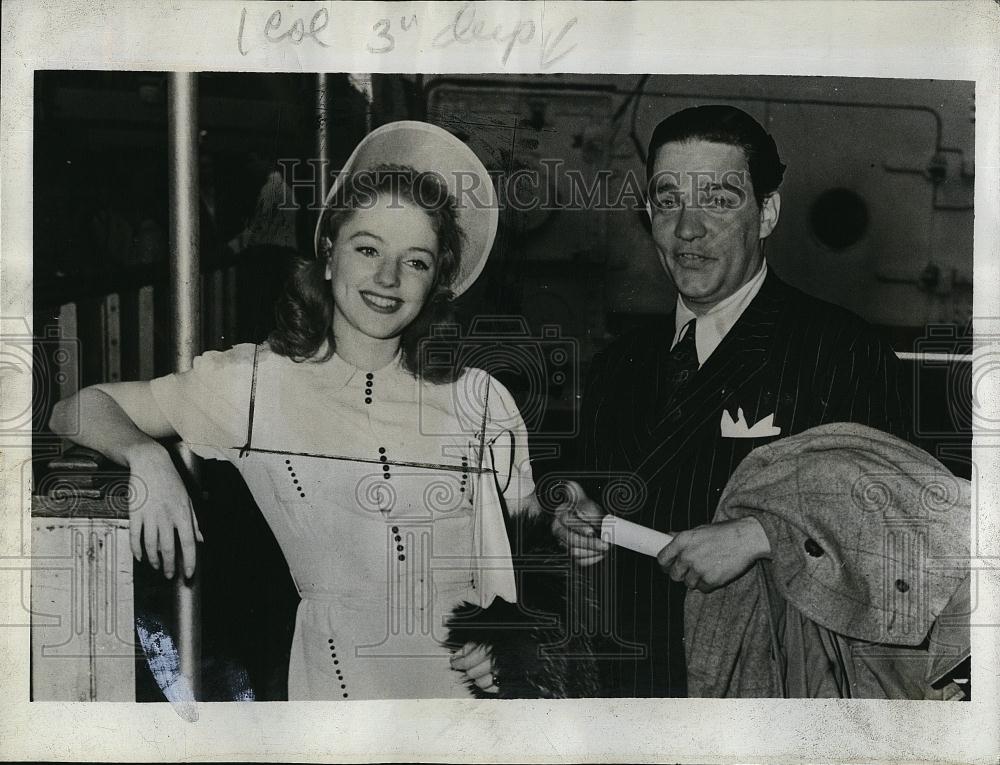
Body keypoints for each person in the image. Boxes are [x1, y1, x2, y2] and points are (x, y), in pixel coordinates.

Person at [49, 121, 542, 700]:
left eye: (415, 262)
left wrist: (510, 638)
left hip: (475, 697)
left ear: (436, 282)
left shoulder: (480, 398)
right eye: (367, 249)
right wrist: (144, 455)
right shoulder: (257, 383)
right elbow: (75, 408)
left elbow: (533, 555)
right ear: (329, 256)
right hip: (342, 691)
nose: (387, 278)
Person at [551, 105, 910, 697]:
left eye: (718, 199)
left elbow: (900, 523)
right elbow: (583, 488)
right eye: (668, 200)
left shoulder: (840, 350)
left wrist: (760, 537)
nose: (687, 228)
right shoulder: (619, 363)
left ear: (766, 213)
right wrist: (574, 517)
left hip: (765, 695)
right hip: (622, 692)